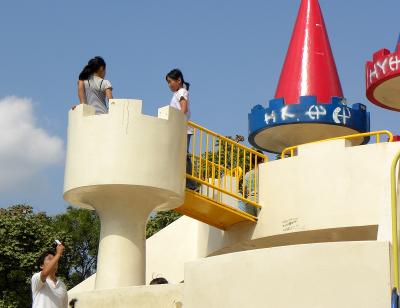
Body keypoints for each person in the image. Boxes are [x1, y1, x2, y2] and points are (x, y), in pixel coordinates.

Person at [166, 69, 197, 190]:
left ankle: (190, 183)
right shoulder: (177, 93)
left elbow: (183, 108)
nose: (169, 85)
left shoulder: (182, 92)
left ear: (178, 80)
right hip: (179, 127)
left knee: (184, 155)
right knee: (180, 154)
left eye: (170, 81)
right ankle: (183, 181)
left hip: (183, 128)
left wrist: (178, 120)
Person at [31, 243, 68, 308]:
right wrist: (58, 253)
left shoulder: (62, 285)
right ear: (41, 266)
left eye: (55, 259)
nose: (54, 261)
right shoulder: (36, 278)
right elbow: (45, 273)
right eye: (50, 259)